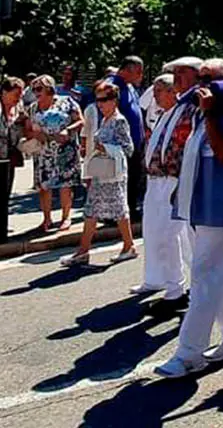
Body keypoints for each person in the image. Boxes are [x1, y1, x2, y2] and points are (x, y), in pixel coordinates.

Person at [155, 59, 223, 378]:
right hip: (201, 207)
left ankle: (189, 354)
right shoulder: (203, 115)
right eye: (199, 77)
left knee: (205, 276)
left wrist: (211, 113)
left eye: (207, 79)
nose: (201, 84)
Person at [131, 61, 200, 311]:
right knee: (157, 233)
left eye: (161, 90)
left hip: (173, 181)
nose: (156, 95)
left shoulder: (187, 111)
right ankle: (164, 281)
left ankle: (176, 289)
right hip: (157, 180)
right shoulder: (164, 114)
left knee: (170, 236)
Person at [60, 82, 137, 266]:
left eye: (103, 100)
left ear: (114, 101)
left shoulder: (119, 121)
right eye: (97, 100)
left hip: (113, 174)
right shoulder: (105, 120)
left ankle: (128, 246)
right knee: (92, 210)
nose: (99, 104)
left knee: (118, 211)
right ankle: (84, 251)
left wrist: (107, 148)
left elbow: (129, 148)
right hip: (101, 173)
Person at [24, 75, 84, 231]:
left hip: (65, 149)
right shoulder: (33, 108)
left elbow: (80, 120)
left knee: (66, 185)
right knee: (44, 186)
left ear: (49, 88)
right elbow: (28, 128)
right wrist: (36, 134)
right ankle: (47, 219)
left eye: (39, 89)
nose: (36, 93)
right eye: (34, 89)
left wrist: (67, 130)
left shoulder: (67, 102)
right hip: (44, 152)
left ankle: (66, 217)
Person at [108, 56, 146, 220]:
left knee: (133, 177)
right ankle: (117, 213)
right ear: (126, 70)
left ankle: (130, 208)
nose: (141, 75)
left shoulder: (130, 87)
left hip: (136, 141)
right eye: (138, 71)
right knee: (122, 178)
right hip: (121, 142)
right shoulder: (113, 86)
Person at [0, 77, 27, 200]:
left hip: (10, 158)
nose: (19, 97)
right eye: (16, 94)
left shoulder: (19, 108)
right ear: (4, 92)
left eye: (21, 94)